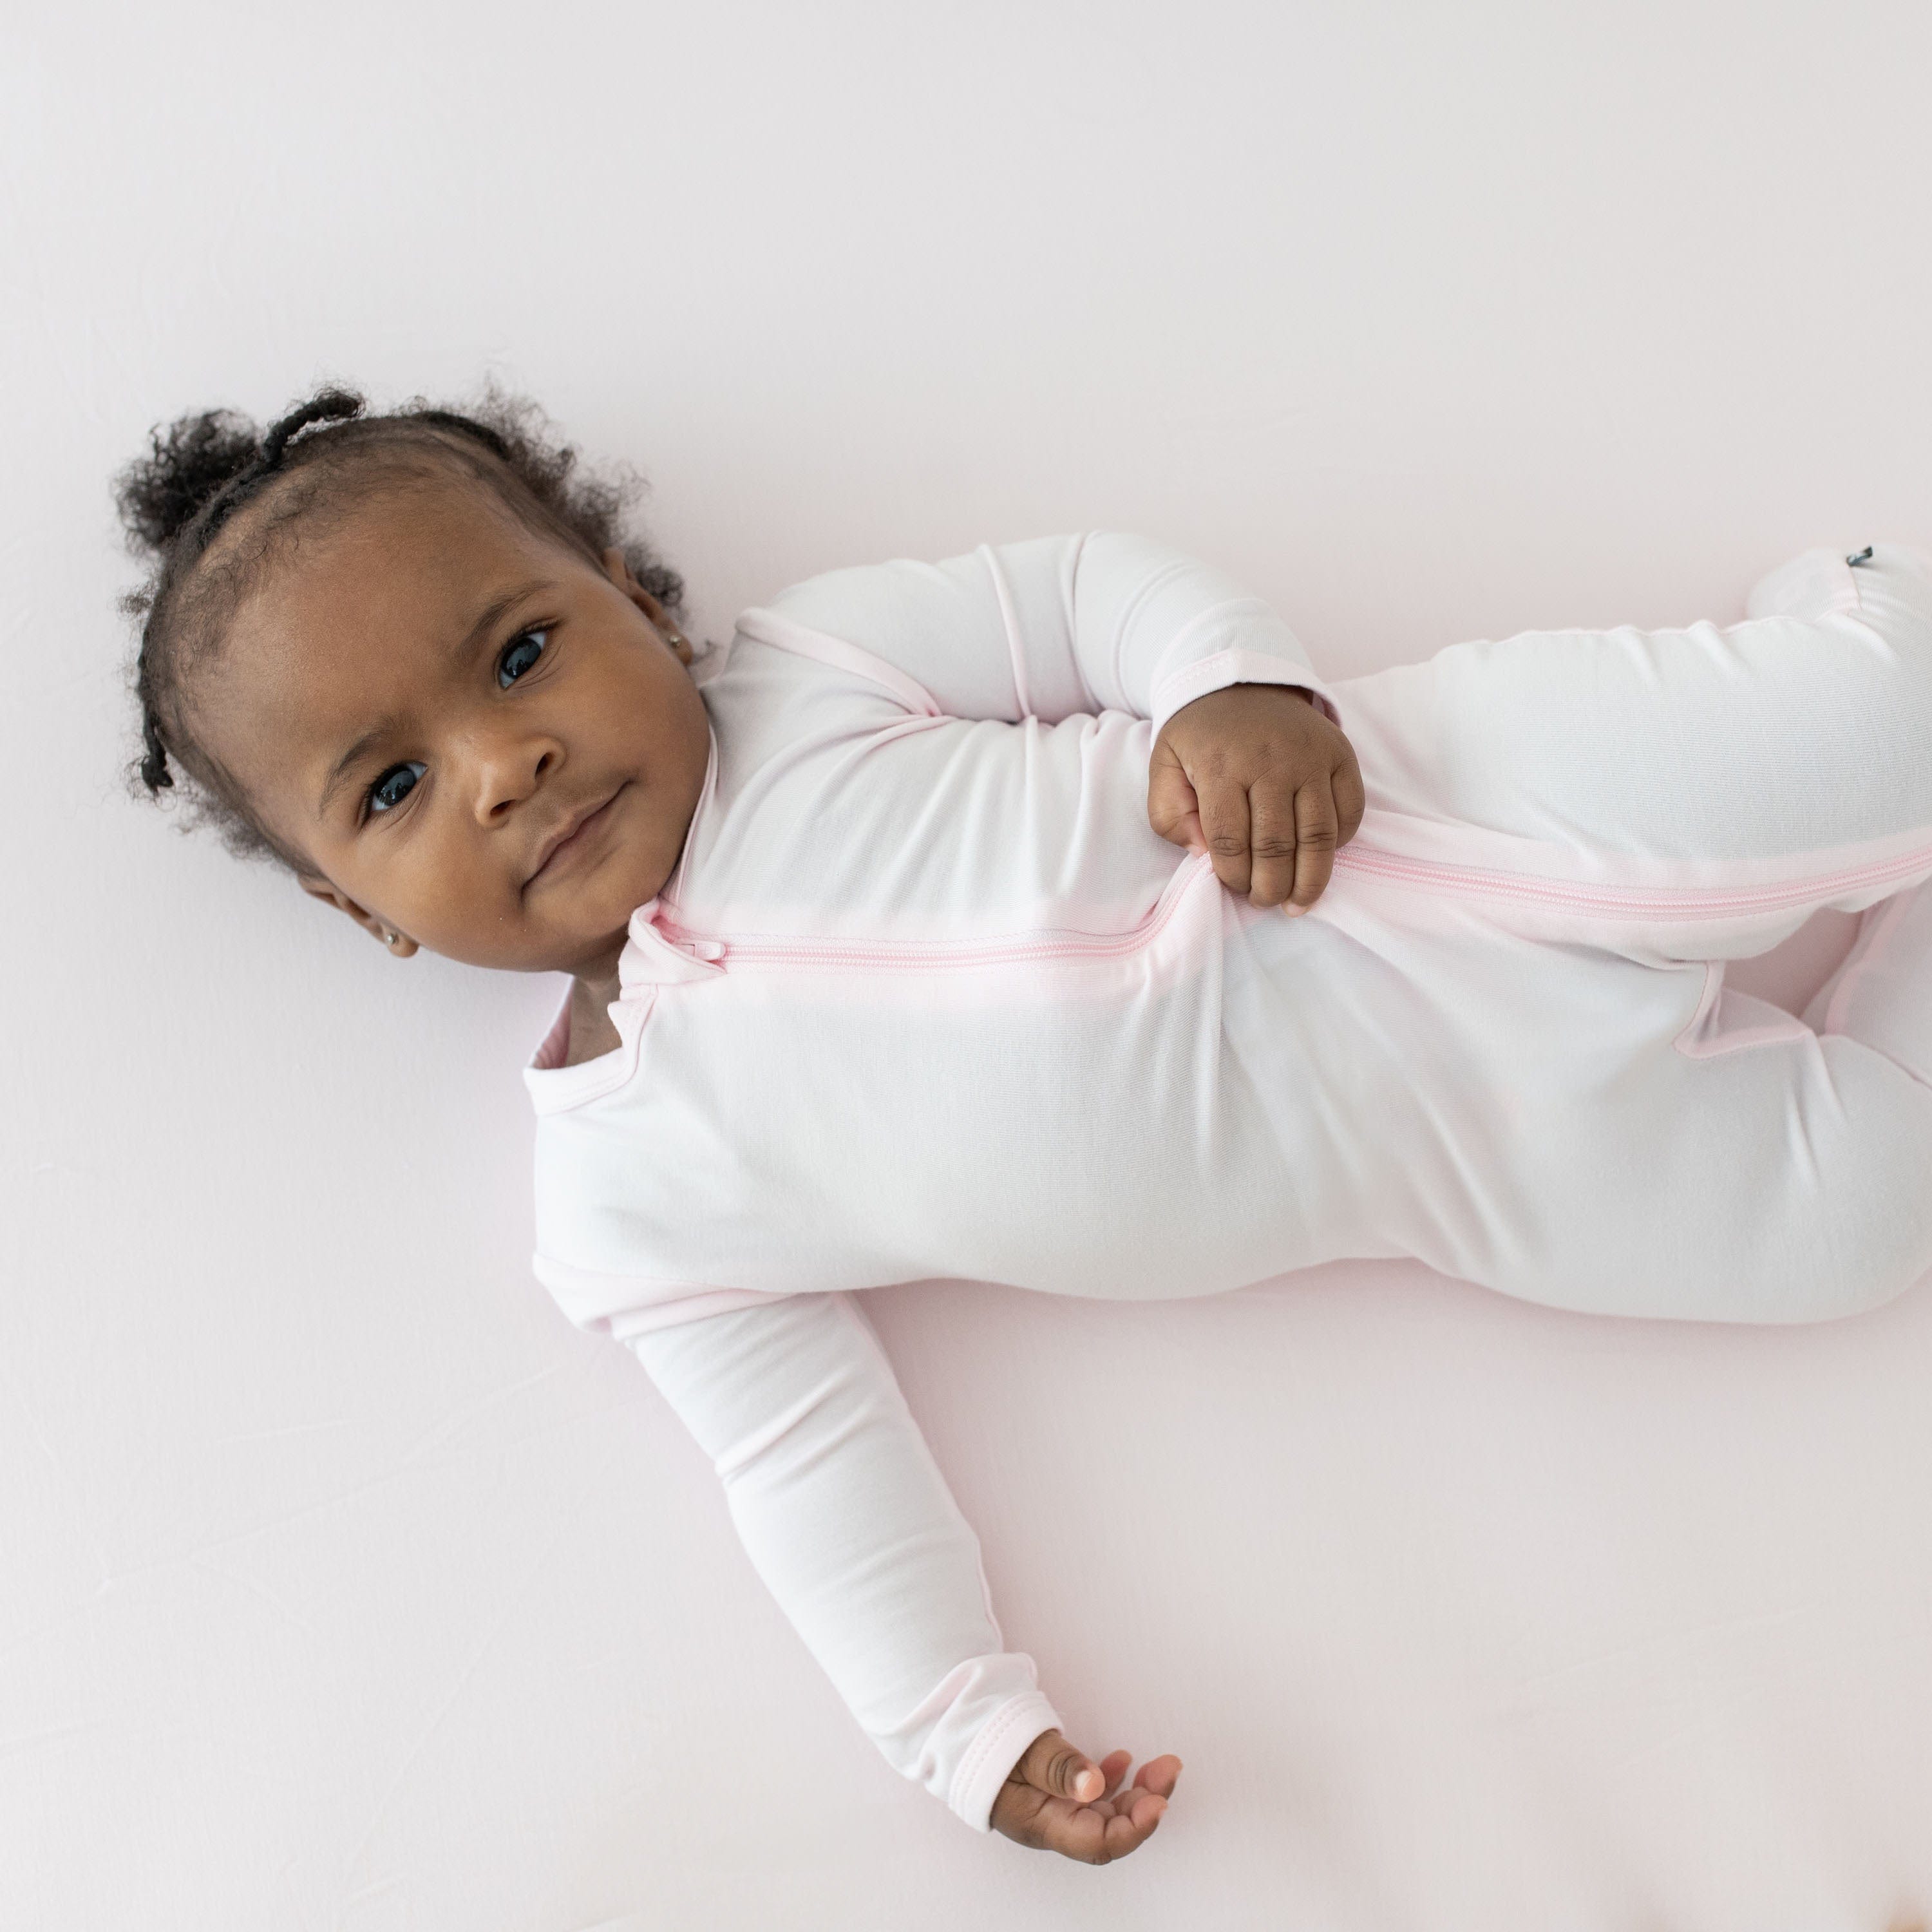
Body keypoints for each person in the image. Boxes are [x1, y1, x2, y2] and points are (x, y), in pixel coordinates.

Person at [116, 386, 1932, 1866]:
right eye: (398, 784)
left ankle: (1853, 603)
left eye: (520, 656)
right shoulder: (628, 1194)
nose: (504, 764)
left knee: (1894, 729)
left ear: (631, 597)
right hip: (1489, 1154)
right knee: (1862, 1211)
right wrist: (959, 1727)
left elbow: (1077, 594)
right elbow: (809, 1466)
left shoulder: (804, 677)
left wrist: (1233, 685)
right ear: (359, 906)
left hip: (1458, 811)